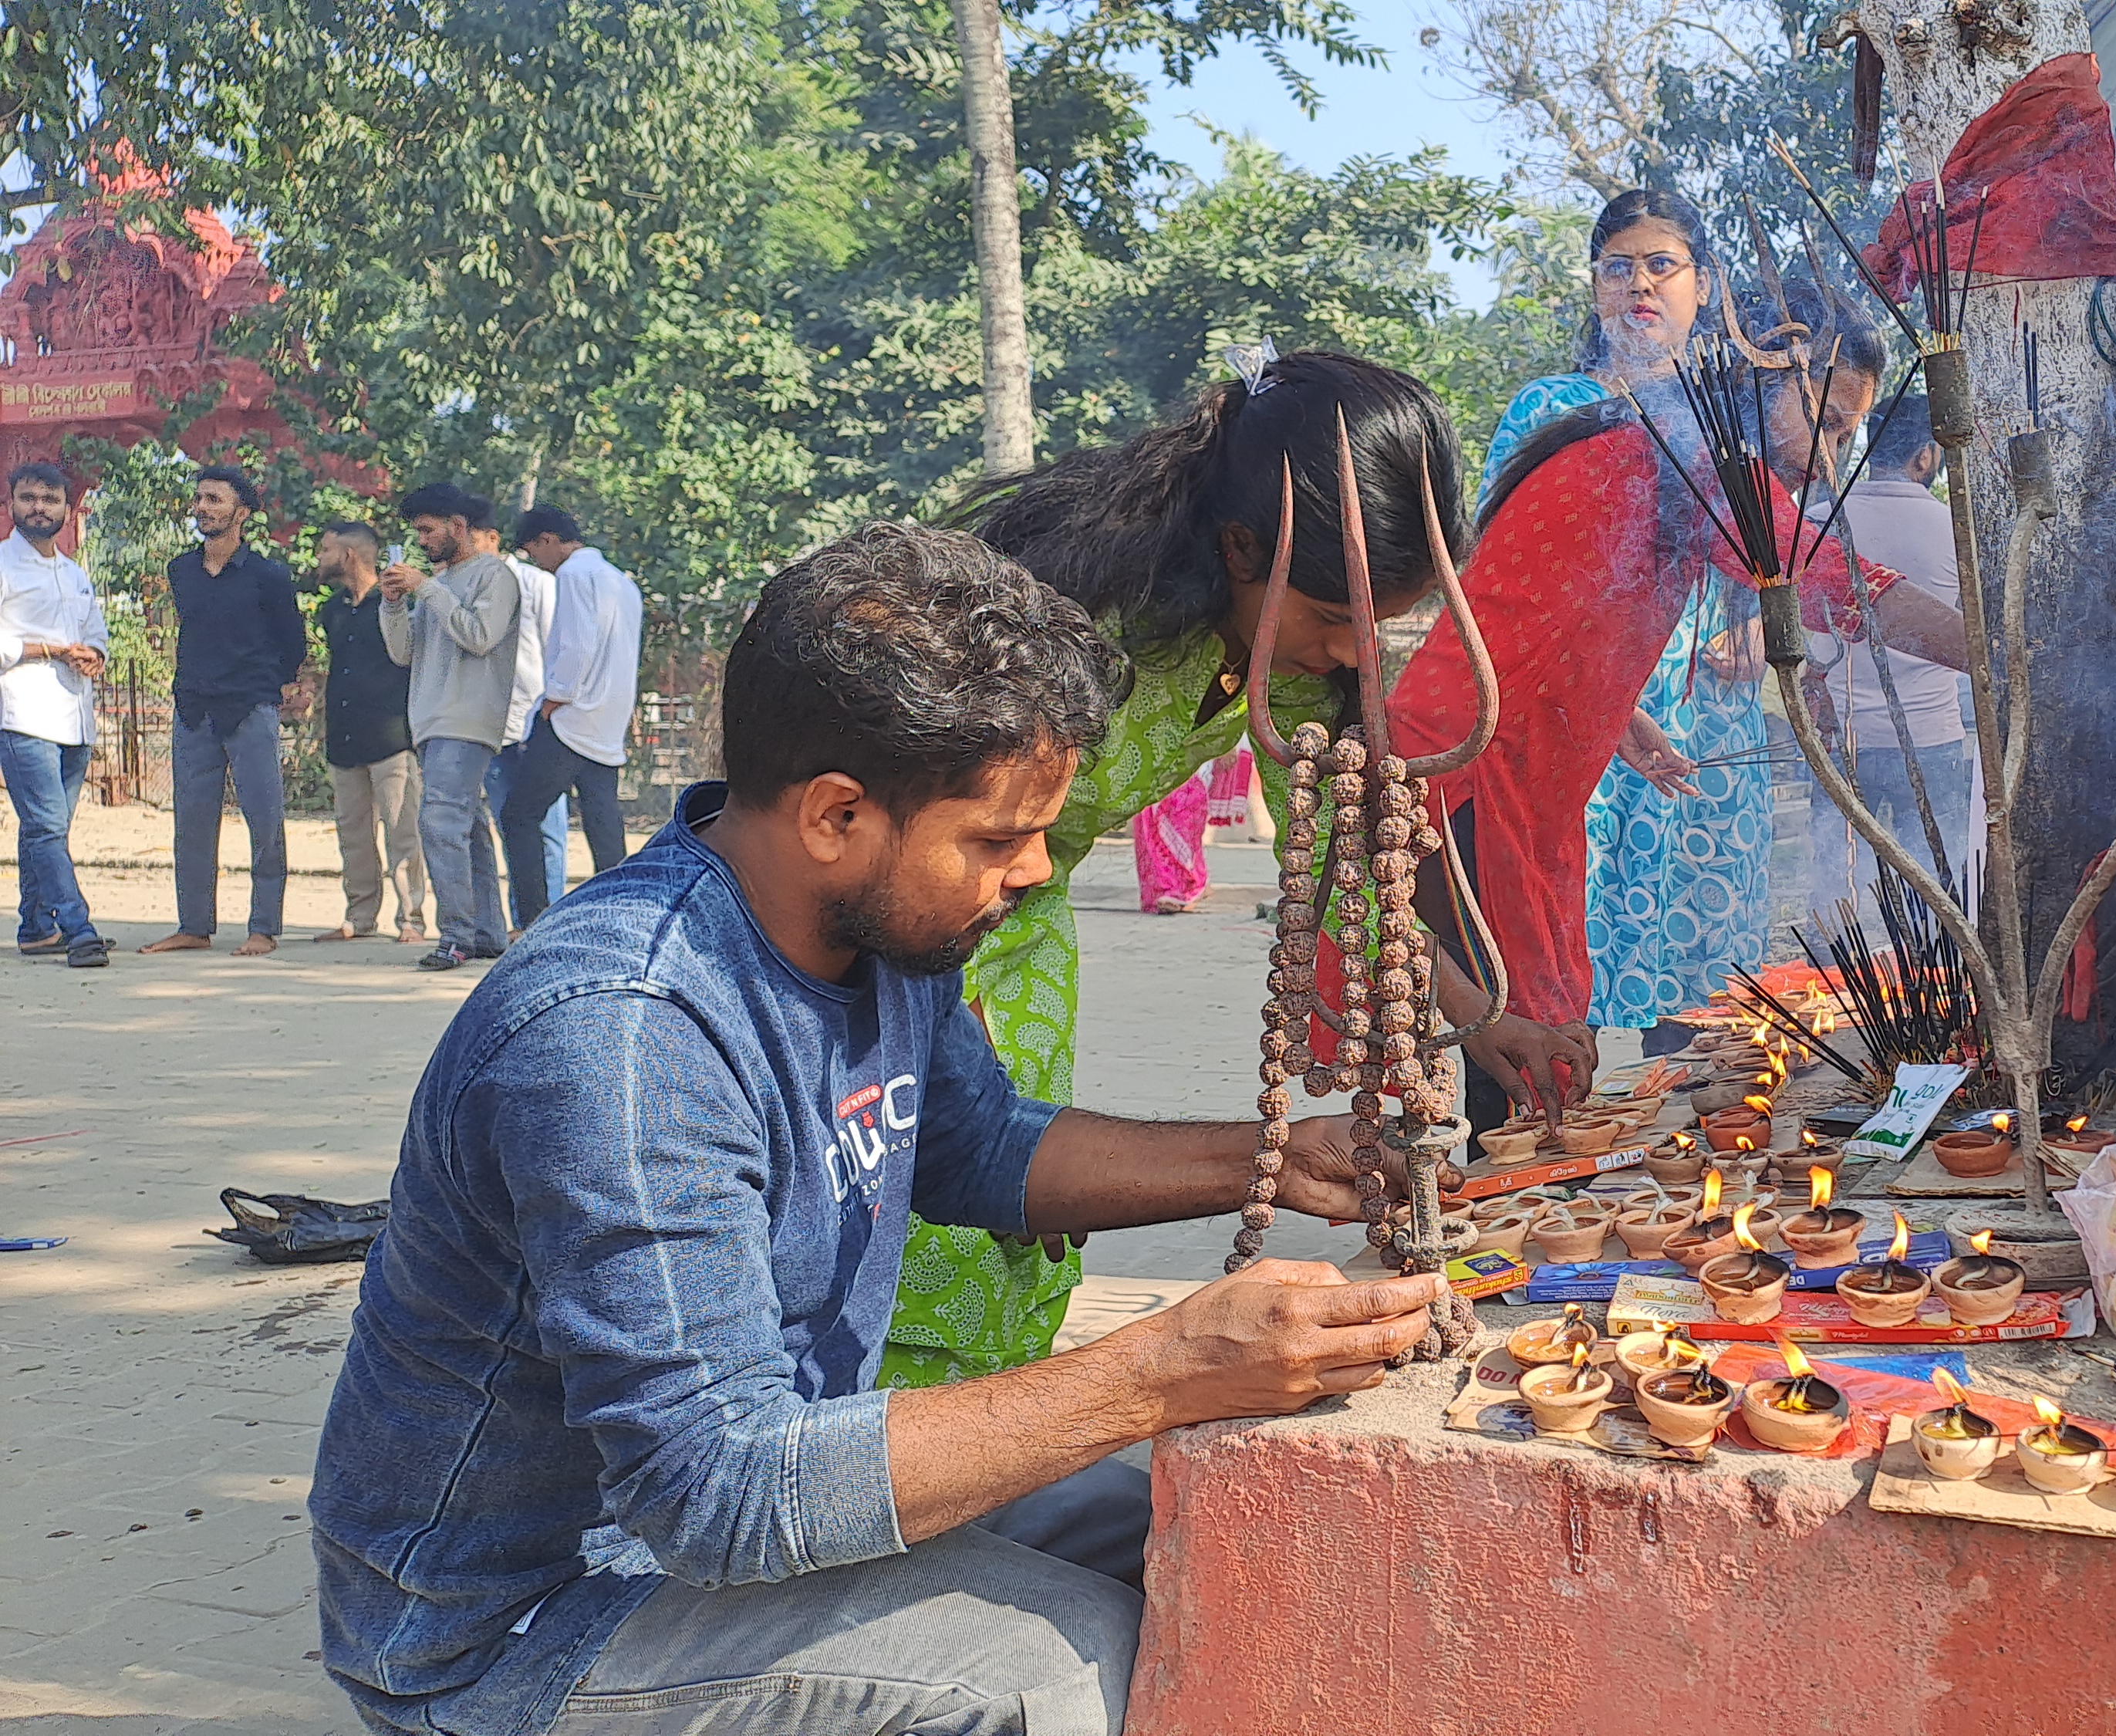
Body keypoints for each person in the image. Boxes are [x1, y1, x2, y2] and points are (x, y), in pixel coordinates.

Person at [311, 519, 1446, 1736]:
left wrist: (1274, 1160)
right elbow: (718, 1490)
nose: (1028, 876)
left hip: (745, 1498)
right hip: (528, 1618)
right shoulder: (626, 1036)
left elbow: (978, 1146)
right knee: (1061, 1671)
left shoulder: (879, 933)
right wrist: (1158, 1368)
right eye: (1000, 840)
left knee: (1192, 1520)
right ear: (836, 814)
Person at [913, 349, 1483, 1386]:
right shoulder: (1067, 621)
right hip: (914, 931)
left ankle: (997, 1477)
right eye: (1333, 621)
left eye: (1382, 629)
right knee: (928, 1210)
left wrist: (1475, 1004)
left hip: (1025, 944)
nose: (1360, 656)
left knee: (1013, 1232)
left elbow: (1354, 871)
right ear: (1240, 549)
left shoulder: (1300, 671)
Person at [1384, 277, 1967, 1137]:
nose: (1829, 459)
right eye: (1828, 421)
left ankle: (1518, 1212)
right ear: (1772, 373)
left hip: (1512, 768)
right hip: (1462, 768)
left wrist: (1622, 719)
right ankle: (1501, 1242)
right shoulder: (1693, 456)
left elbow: (1560, 613)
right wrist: (2002, 658)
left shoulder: (1656, 443)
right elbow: (1837, 586)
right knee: (1510, 1038)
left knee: (1536, 1018)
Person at [1477, 188, 1786, 1059]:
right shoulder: (1551, 411)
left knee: (1700, 1001)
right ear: (1595, 287)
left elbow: (1778, 565)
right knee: (1543, 968)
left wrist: (1762, 632)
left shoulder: (1732, 418)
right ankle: (1530, 1161)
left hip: (1705, 736)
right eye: (1620, 267)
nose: (1640, 285)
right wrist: (1601, 702)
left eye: (1662, 265)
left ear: (1703, 284)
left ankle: (1682, 1165)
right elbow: (1495, 577)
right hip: (1575, 727)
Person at [1804, 395, 1972, 910]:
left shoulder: (1813, 521)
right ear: (1925, 457)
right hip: (1932, 741)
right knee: (1940, 897)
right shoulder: (1955, 528)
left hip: (1841, 744)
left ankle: (1832, 972)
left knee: (1837, 896)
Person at [140, 466, 305, 958]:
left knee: (265, 817)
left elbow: (291, 641)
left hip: (251, 707)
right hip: (193, 708)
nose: (203, 507)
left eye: (215, 499)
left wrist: (273, 684)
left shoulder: (268, 576)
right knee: (190, 820)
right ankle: (193, 925)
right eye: (200, 499)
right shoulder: (181, 571)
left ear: (242, 513)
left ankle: (264, 926)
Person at [380, 482, 524, 970]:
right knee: (467, 826)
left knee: (439, 822)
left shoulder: (494, 575)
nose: (420, 540)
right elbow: (404, 653)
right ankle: (485, 933)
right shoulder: (437, 583)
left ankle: (455, 936)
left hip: (467, 719)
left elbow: (480, 637)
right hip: (431, 718)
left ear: (457, 527)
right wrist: (394, 603)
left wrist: (426, 588)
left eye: (427, 529)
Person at [501, 507, 640, 927]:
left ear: (548, 540)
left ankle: (534, 918)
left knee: (519, 814)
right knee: (602, 823)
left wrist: (554, 699)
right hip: (607, 721)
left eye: (533, 551)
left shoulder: (574, 575)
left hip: (570, 719)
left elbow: (576, 646)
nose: (537, 561)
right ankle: (621, 915)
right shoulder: (621, 582)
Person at [0, 460, 111, 968]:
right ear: (11, 505)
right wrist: (46, 650)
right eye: (28, 498)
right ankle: (77, 925)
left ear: (68, 509)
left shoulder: (74, 573)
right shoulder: (2, 565)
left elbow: (96, 632)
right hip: (22, 714)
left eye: (50, 499)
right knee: (46, 826)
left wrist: (95, 655)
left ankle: (36, 928)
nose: (39, 507)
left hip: (74, 717)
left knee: (47, 829)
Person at [310, 522, 427, 944]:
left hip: (392, 735)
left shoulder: (395, 602)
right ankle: (359, 916)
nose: (318, 558)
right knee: (353, 833)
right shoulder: (334, 609)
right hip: (345, 734)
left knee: (402, 831)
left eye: (325, 549)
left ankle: (411, 919)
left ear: (349, 555)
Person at [486, 512, 569, 914]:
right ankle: (522, 917)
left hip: (536, 723)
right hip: (493, 726)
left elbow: (556, 649)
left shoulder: (536, 583)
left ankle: (548, 916)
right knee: (509, 827)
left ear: (491, 538)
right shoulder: (469, 587)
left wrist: (550, 714)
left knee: (549, 830)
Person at [1130, 745, 1254, 914]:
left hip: (1197, 743)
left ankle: (1186, 886)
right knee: (1148, 811)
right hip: (1155, 742)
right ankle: (1163, 889)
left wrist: (1229, 745)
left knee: (1183, 802)